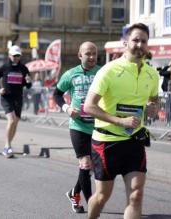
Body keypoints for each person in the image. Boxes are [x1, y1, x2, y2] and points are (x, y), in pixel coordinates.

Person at [84, 23, 159, 219]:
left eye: (143, 41)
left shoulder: (152, 74)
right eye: (135, 40)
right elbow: (89, 106)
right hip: (106, 142)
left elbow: (153, 101)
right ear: (125, 42)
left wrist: (153, 108)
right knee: (102, 196)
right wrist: (120, 121)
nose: (139, 45)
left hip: (134, 141)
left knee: (136, 194)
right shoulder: (109, 70)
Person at [53, 41, 100, 213]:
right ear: (80, 55)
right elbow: (56, 94)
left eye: (94, 53)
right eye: (88, 53)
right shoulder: (71, 74)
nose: (92, 57)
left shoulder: (102, 73)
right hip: (78, 126)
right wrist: (66, 108)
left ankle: (74, 193)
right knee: (85, 163)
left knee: (91, 168)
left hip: (97, 127)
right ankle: (92, 206)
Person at [0, 45, 32, 158]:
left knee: (15, 122)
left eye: (18, 56)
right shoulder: (4, 67)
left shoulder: (24, 69)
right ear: (9, 55)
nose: (16, 57)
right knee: (11, 120)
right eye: (14, 55)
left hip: (18, 98)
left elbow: (28, 85)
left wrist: (29, 81)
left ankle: (8, 145)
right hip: (7, 97)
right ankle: (7, 146)